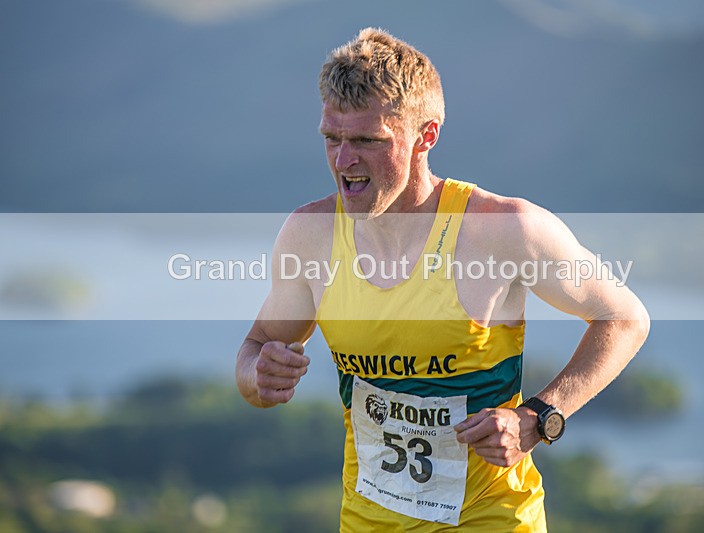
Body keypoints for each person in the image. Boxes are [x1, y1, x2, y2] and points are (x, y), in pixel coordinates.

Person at [236, 27, 649, 532]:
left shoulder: (502, 229)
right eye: (332, 138)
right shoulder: (311, 236)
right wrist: (259, 376)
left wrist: (538, 418)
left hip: (493, 520)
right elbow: (255, 352)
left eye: (368, 140)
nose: (344, 161)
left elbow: (624, 318)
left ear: (425, 136)